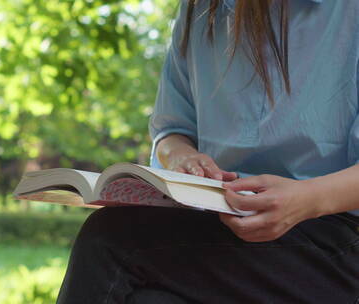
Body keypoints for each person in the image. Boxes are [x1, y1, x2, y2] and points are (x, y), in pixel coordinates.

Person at [57, 0, 359, 302]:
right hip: (219, 225)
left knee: (109, 239)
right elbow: (171, 130)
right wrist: (181, 156)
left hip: (338, 231)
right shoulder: (198, 10)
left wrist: (308, 199)